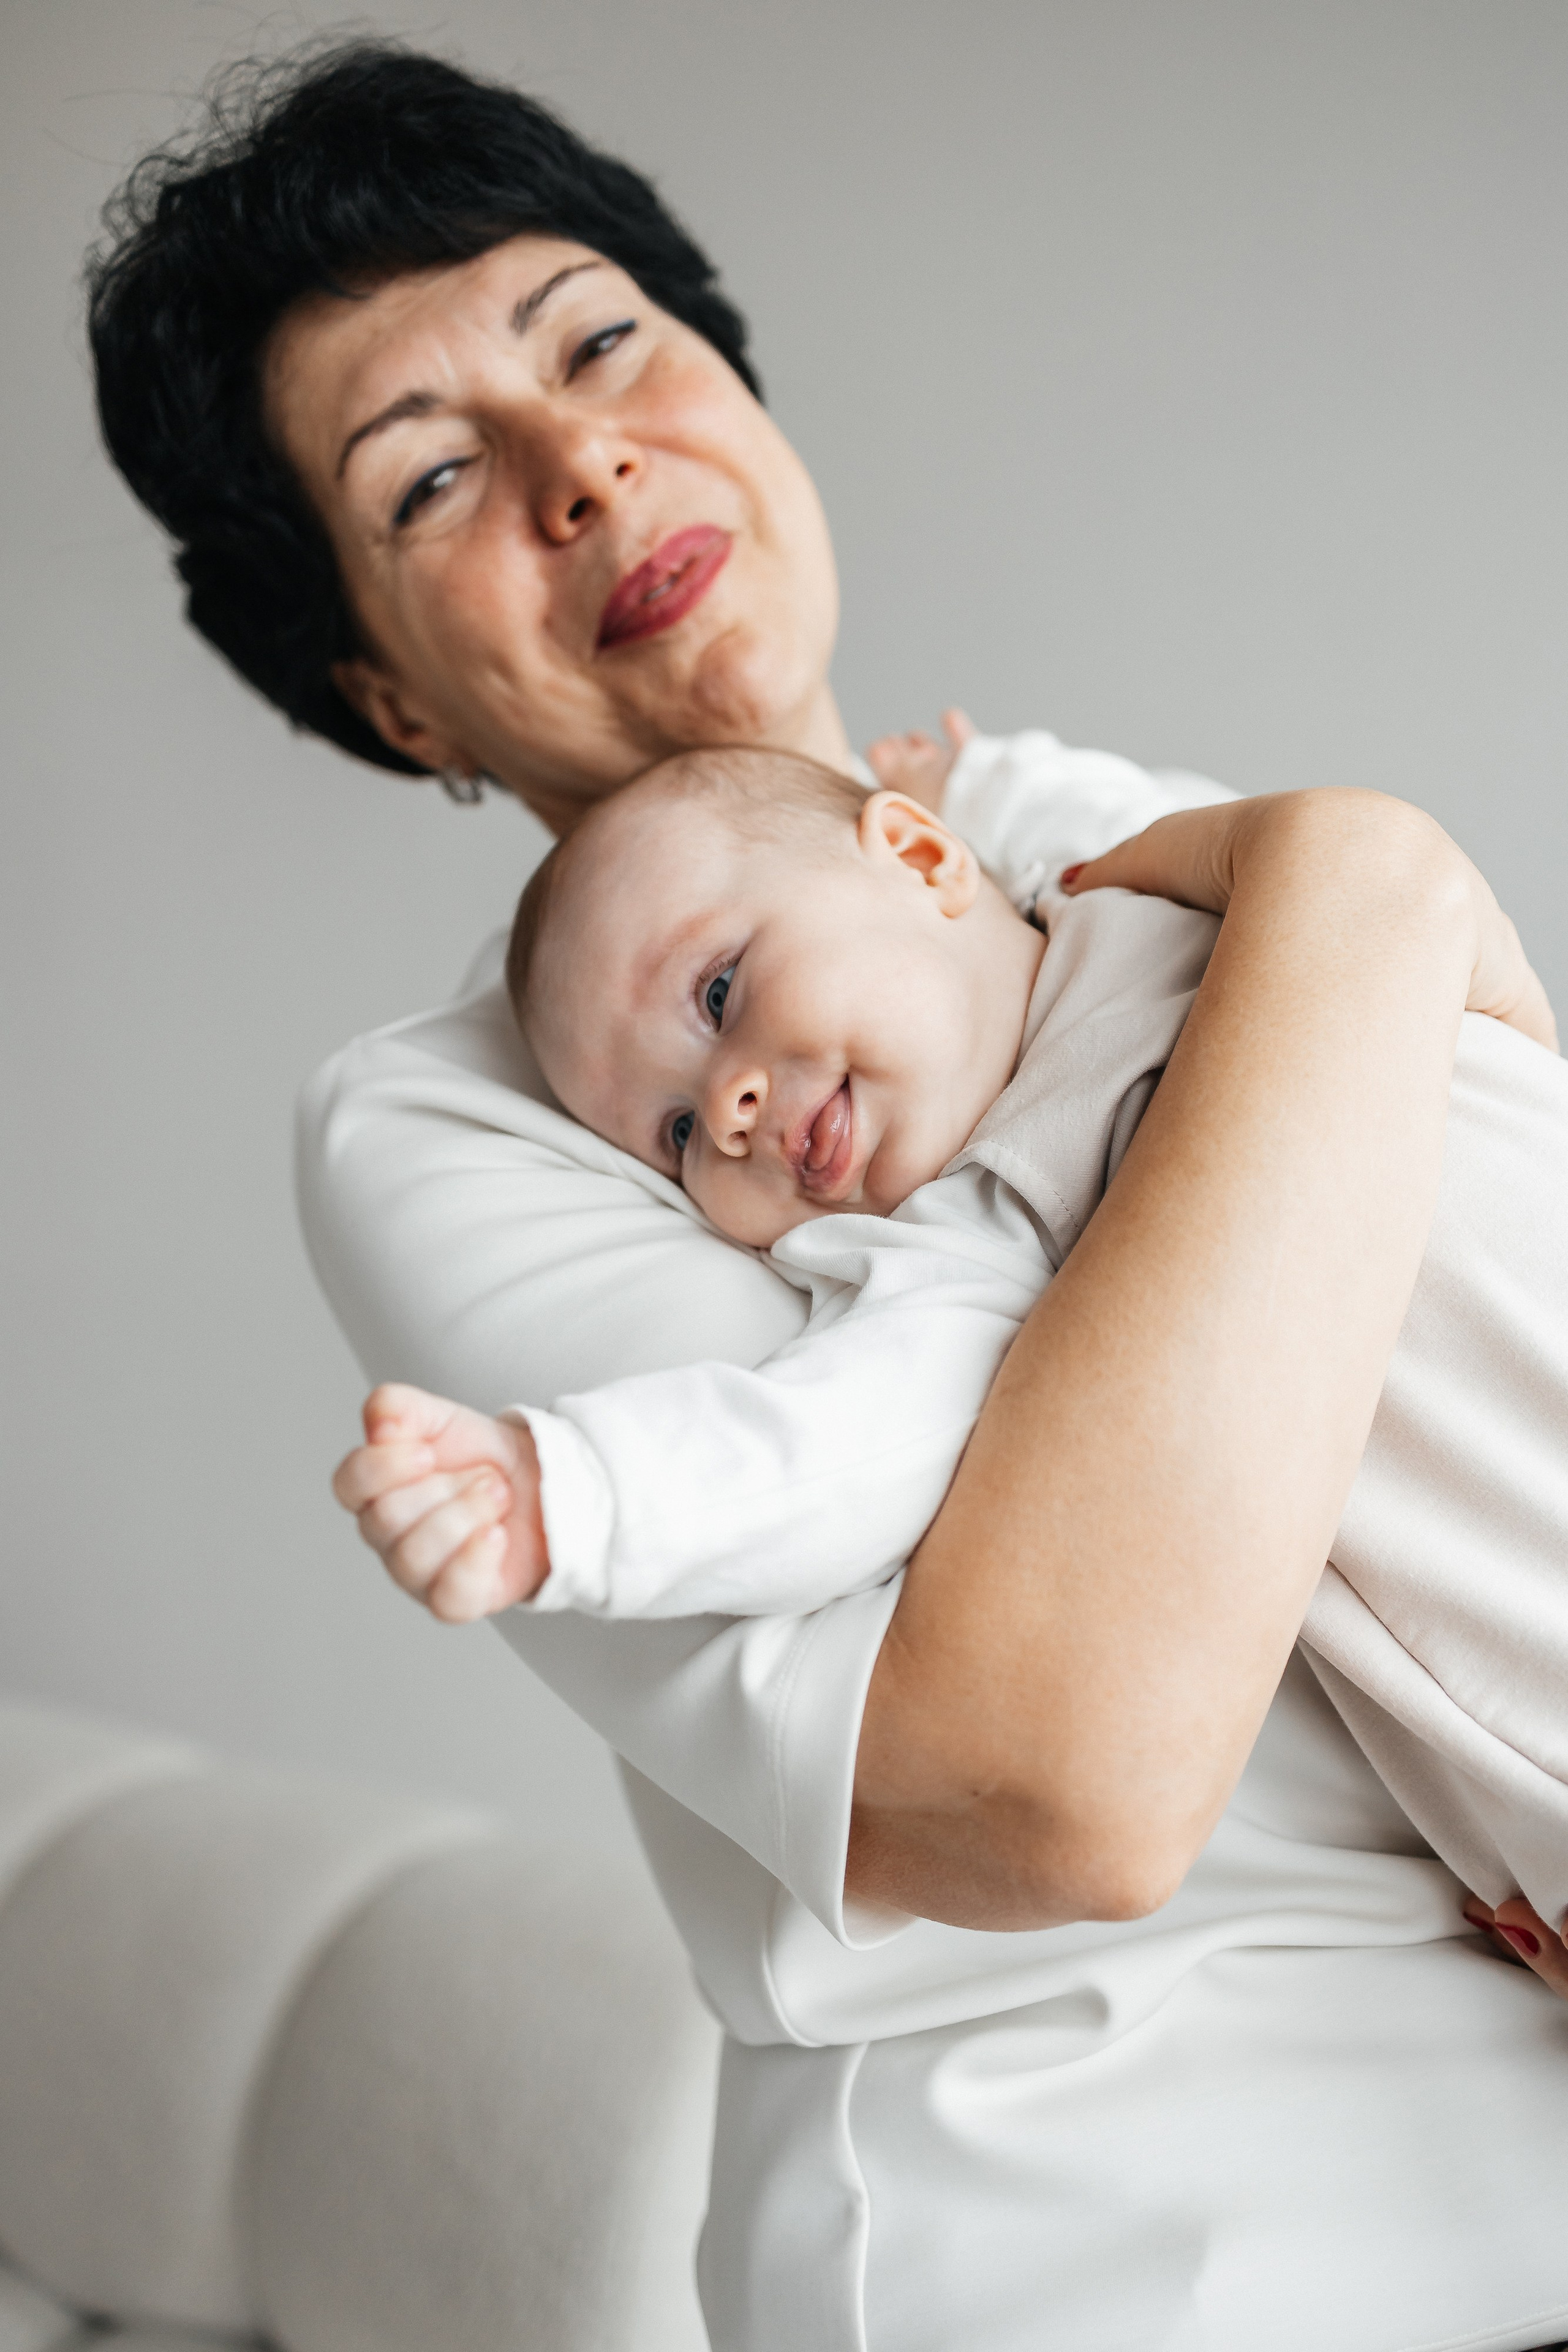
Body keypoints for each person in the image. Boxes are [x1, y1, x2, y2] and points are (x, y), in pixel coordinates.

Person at [88, 41, 1568, 2351]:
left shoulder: (1051, 817)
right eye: (438, 477)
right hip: (1129, 2248)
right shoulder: (454, 1118)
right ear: (389, 700)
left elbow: (1497, 1238)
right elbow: (1053, 1777)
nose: (584, 468)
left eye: (602, 344)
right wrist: (1359, 870)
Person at [332, 739, 1568, 1939]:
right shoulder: (987, 1225)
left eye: (717, 995)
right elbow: (838, 1440)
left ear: (924, 858)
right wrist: (575, 1493)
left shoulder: (1164, 899)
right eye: (669, 1139)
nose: (725, 1110)